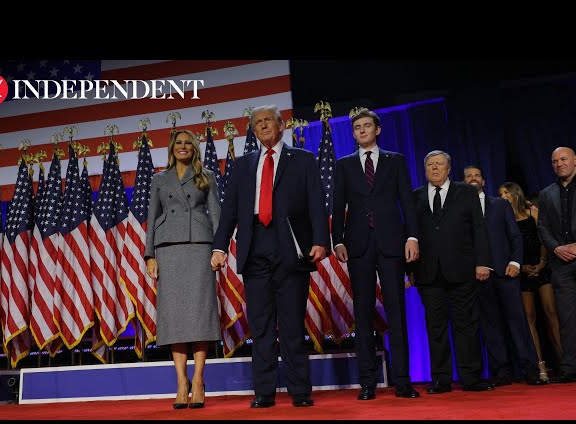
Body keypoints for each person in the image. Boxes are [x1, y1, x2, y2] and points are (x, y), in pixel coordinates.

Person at [211, 105, 329, 408]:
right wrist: (219, 247)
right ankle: (263, 392)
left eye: (268, 121)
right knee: (261, 326)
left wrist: (320, 241)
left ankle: (299, 392)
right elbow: (230, 212)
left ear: (281, 125)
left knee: (291, 325)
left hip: (291, 246)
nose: (263, 126)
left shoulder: (302, 159)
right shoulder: (242, 165)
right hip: (255, 249)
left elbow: (316, 202)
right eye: (257, 122)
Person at [331, 108, 420, 400]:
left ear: (377, 130)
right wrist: (338, 240)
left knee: (397, 312)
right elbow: (337, 206)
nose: (362, 131)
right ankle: (367, 382)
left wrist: (411, 236)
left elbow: (407, 200)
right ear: (353, 133)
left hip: (392, 243)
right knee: (363, 313)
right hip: (358, 246)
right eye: (357, 128)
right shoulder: (343, 165)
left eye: (367, 126)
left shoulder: (396, 161)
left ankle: (403, 381)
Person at [145, 129, 221, 409]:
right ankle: (181, 382)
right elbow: (151, 218)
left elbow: (218, 214)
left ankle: (199, 380)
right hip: (168, 250)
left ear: (195, 148)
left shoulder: (207, 176)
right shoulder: (159, 179)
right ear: (171, 148)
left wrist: (218, 248)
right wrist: (149, 255)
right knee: (174, 316)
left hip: (199, 247)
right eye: (179, 143)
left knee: (200, 314)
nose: (183, 146)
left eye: (188, 143)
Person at [410, 151, 493, 393]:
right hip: (428, 273)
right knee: (435, 328)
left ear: (449, 169)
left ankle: (471, 377)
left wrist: (482, 263)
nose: (434, 168)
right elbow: (411, 234)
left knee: (466, 325)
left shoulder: (466, 191)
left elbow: (479, 228)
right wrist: (411, 269)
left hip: (463, 270)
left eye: (439, 164)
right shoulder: (414, 196)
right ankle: (440, 379)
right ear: (425, 169)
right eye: (430, 165)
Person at [463, 166, 545, 386]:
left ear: (484, 181)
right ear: (462, 182)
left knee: (517, 322)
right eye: (468, 176)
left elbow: (515, 236)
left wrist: (515, 262)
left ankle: (529, 369)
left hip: (506, 273)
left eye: (477, 175)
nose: (473, 178)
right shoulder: (460, 208)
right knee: (490, 326)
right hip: (478, 276)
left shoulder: (500, 205)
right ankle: (502, 371)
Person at [537, 146, 576, 382]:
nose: (559, 164)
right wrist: (556, 248)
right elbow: (542, 225)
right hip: (561, 263)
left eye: (563, 159)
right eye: (554, 161)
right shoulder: (546, 193)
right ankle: (571, 367)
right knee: (567, 316)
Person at [499, 181, 562, 380]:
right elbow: (506, 247)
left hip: (541, 268)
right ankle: (539, 364)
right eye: (500, 194)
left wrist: (542, 262)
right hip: (521, 271)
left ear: (516, 193)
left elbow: (544, 239)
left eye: (506, 192)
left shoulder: (532, 213)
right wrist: (521, 266)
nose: (503, 197)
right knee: (529, 318)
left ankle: (565, 361)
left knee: (551, 313)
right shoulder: (503, 218)